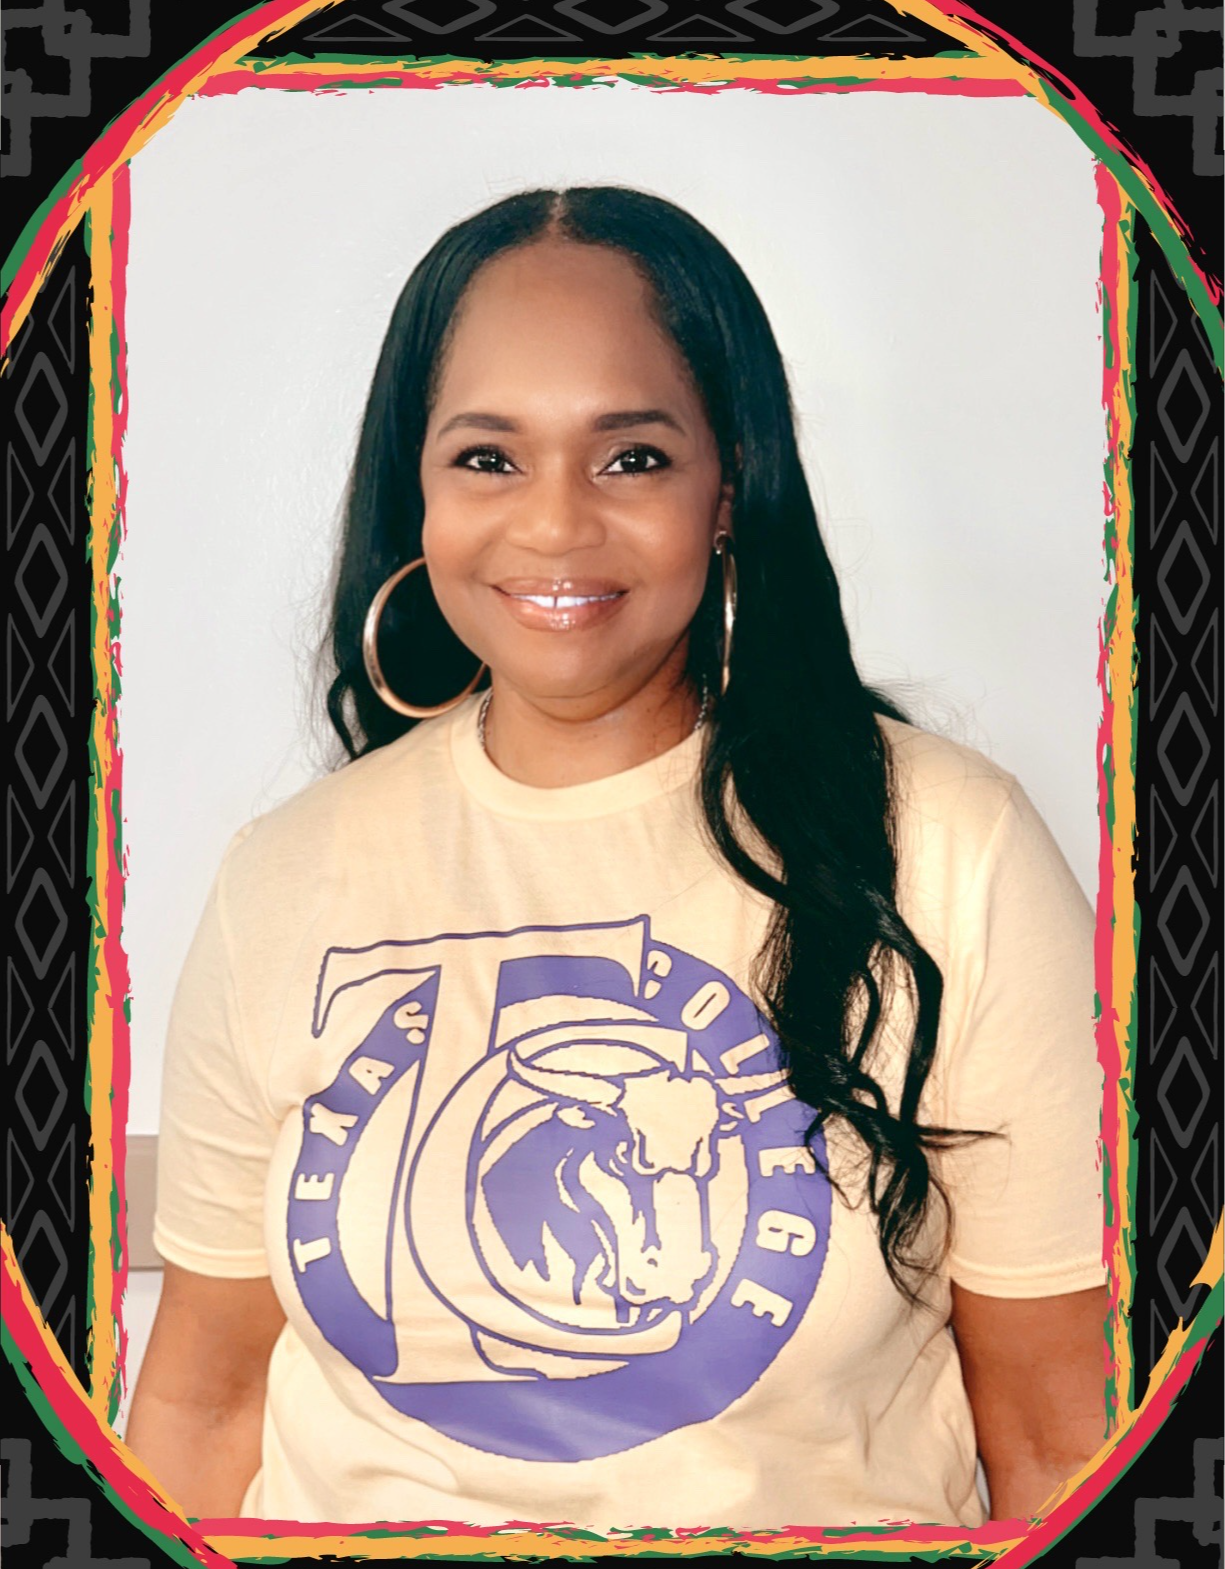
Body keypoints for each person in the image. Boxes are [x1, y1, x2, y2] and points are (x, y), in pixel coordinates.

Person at [126, 186, 1107, 1530]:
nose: (553, 524)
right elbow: (202, 1407)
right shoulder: (288, 872)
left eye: (631, 456)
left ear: (729, 484)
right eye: (488, 457)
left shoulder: (949, 847)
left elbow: (1057, 1436)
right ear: (416, 488)